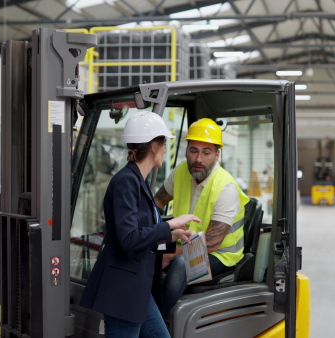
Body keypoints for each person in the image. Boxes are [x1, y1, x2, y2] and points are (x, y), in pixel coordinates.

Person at [80, 110, 200, 337]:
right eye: (163, 144)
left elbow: (144, 232)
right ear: (153, 146)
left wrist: (172, 236)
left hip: (137, 289)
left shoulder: (139, 182)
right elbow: (129, 238)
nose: (165, 149)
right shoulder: (126, 181)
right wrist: (170, 224)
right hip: (124, 289)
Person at [154, 118, 251, 318]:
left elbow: (211, 244)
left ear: (217, 155)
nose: (198, 159)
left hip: (221, 255)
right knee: (150, 250)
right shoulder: (181, 171)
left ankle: (156, 322)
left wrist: (170, 255)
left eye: (206, 152)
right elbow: (157, 202)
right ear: (186, 150)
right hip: (186, 242)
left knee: (181, 264)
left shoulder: (226, 188)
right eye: (193, 150)